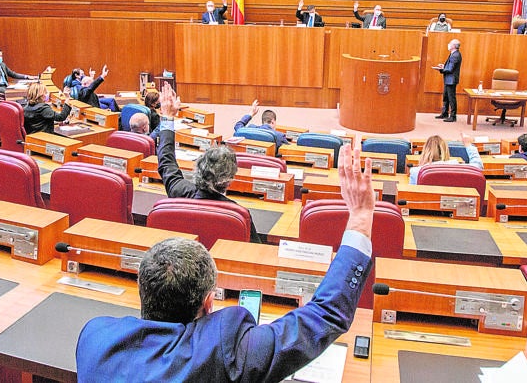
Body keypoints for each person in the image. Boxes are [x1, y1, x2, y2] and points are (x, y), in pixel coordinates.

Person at [77, 123, 372, 383]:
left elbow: (167, 165)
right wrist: (359, 216)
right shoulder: (227, 356)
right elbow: (324, 315)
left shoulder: (94, 338)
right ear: (209, 303)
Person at [155, 84, 260, 243]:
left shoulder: (179, 190)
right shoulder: (238, 214)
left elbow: (166, 158)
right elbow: (254, 251)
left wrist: (168, 117)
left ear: (199, 167)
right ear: (229, 180)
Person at [432, 38, 462, 122]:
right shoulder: (453, 54)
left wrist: (440, 69)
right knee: (446, 97)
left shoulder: (455, 55)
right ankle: (445, 113)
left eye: (450, 43)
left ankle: (453, 116)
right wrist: (443, 66)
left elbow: (450, 69)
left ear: (454, 46)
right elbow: (449, 66)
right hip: (448, 79)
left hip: (451, 80)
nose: (448, 45)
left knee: (451, 98)